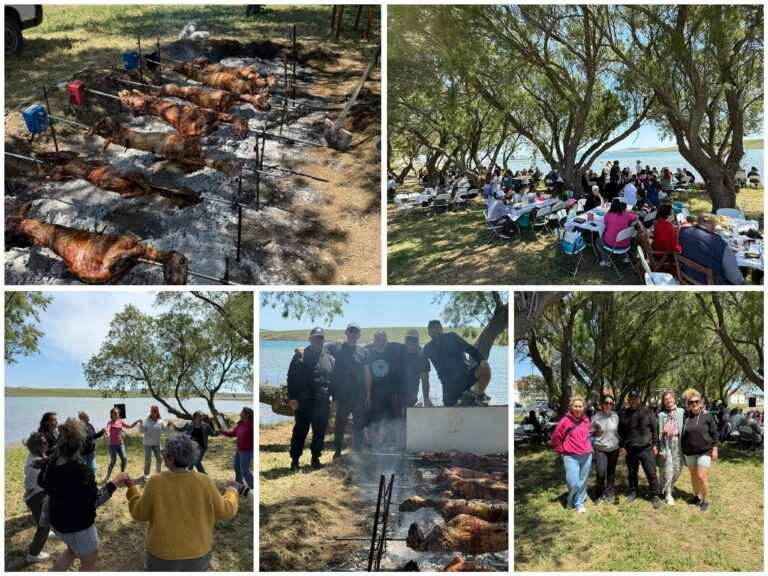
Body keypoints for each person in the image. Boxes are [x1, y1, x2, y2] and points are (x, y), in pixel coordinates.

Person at [125, 433, 239, 570]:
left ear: (171, 459)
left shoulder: (155, 482)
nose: (162, 455)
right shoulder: (204, 481)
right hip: (199, 554)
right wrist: (232, 489)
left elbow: (139, 513)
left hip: (162, 555)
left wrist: (132, 488)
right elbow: (226, 510)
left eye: (164, 452)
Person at [37, 418, 122, 571]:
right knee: (88, 564)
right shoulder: (82, 472)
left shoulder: (52, 463)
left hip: (58, 524)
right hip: (79, 528)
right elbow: (95, 500)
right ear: (80, 444)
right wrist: (115, 483)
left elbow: (44, 483)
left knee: (72, 550)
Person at [287, 327, 334, 470]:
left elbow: (333, 381)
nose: (318, 340)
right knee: (300, 431)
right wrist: (292, 398)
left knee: (319, 432)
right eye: (315, 337)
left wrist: (333, 399)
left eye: (320, 337)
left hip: (322, 402)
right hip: (303, 402)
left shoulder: (329, 358)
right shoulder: (300, 356)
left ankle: (315, 459)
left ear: (323, 339)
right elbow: (291, 378)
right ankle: (295, 460)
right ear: (310, 339)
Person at [326, 323, 370, 459]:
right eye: (351, 331)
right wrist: (302, 349)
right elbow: (320, 349)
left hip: (359, 395)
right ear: (346, 332)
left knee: (359, 426)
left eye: (356, 332)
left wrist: (368, 394)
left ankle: (357, 452)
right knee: (340, 425)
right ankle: (337, 452)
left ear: (359, 335)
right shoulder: (337, 347)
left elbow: (367, 373)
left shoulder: (363, 351)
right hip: (342, 395)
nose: (353, 334)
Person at [423, 320, 489, 407]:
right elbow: (423, 372)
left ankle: (477, 395)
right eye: (432, 329)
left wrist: (482, 360)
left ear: (441, 329)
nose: (435, 330)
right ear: (429, 332)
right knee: (452, 405)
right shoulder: (427, 348)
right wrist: (426, 398)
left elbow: (469, 348)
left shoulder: (452, 337)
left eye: (437, 327)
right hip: (449, 387)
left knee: (485, 369)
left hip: (466, 378)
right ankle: (466, 399)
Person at [619, 388, 661, 509]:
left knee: (651, 472)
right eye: (631, 399)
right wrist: (622, 446)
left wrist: (655, 444)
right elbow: (620, 432)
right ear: (628, 400)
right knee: (632, 473)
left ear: (639, 399)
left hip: (646, 448)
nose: (633, 400)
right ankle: (633, 492)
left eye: (635, 398)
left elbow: (654, 429)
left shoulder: (648, 411)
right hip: (630, 449)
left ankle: (655, 495)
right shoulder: (624, 414)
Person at [551, 396, 592, 513]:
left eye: (580, 406)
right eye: (576, 406)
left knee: (583, 481)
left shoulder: (586, 420)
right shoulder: (565, 421)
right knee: (573, 482)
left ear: (583, 408)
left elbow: (588, 435)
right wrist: (561, 452)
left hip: (586, 455)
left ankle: (579, 502)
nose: (578, 409)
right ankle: (571, 498)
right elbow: (555, 437)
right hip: (570, 456)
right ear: (571, 407)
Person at [365, 330, 405, 448]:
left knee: (391, 419)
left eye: (383, 339)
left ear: (386, 340)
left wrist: (418, 348)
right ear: (374, 340)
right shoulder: (368, 353)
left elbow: (405, 346)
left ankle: (391, 444)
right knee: (374, 420)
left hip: (390, 393)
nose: (381, 342)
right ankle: (373, 444)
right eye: (378, 339)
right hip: (374, 393)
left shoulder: (392, 350)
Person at [679, 213, 744, 284]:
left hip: (687, 275)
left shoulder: (682, 232)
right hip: (711, 283)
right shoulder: (719, 243)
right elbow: (736, 279)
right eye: (715, 225)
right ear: (712, 224)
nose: (715, 228)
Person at [681, 390, 718, 511]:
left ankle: (705, 500)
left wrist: (715, 449)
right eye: (691, 402)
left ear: (700, 403)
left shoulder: (707, 415)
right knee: (693, 475)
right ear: (688, 404)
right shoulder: (686, 417)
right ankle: (696, 496)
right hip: (689, 451)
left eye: (696, 401)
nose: (694, 404)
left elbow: (714, 433)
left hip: (704, 451)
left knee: (702, 476)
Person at [23, 432, 51, 564]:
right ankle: (33, 554)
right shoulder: (33, 465)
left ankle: (43, 536)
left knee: (43, 522)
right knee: (43, 526)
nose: (47, 444)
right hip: (36, 497)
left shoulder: (38, 455)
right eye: (44, 442)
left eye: (46, 441)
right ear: (37, 446)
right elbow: (29, 485)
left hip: (40, 495)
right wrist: (27, 496)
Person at [657, 390, 685, 506]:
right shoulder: (661, 415)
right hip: (667, 444)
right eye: (666, 399)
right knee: (668, 469)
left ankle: (665, 486)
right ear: (663, 402)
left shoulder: (681, 411)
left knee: (677, 469)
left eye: (670, 398)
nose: (668, 400)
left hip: (678, 444)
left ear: (674, 399)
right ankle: (668, 494)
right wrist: (662, 449)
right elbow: (659, 434)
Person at [591, 394, 620, 505]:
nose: (608, 405)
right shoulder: (596, 417)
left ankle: (609, 493)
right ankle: (599, 495)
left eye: (610, 403)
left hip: (614, 448)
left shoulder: (615, 416)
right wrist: (594, 438)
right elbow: (590, 432)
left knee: (611, 473)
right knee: (601, 473)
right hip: (601, 449)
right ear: (602, 404)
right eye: (606, 403)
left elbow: (619, 431)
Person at [220, 407, 254, 494]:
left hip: (247, 451)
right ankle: (239, 486)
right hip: (239, 450)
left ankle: (253, 488)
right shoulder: (240, 424)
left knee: (244, 470)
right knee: (237, 468)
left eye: (241, 413)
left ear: (247, 415)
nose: (240, 414)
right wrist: (222, 431)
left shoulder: (252, 425)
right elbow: (232, 434)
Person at [596, 199, 638, 267]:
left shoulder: (608, 215)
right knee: (620, 237)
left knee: (598, 240)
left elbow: (606, 226)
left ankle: (606, 260)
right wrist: (630, 224)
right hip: (626, 244)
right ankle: (625, 256)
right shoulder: (626, 214)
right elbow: (636, 217)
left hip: (614, 245)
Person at [104, 408, 140, 483]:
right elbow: (107, 428)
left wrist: (137, 421)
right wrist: (107, 433)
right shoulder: (110, 423)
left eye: (117, 413)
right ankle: (107, 476)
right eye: (114, 413)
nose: (116, 414)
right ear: (111, 414)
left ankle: (122, 475)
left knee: (124, 459)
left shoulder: (120, 421)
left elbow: (129, 426)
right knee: (113, 461)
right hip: (112, 445)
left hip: (120, 444)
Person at [401, 329, 432, 408]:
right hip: (396, 395)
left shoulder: (422, 358)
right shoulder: (398, 352)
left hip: (411, 397)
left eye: (414, 340)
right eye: (409, 339)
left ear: (418, 342)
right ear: (405, 340)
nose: (411, 342)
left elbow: (425, 382)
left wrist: (426, 399)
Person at [140, 406, 167, 479]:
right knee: (148, 460)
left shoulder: (160, 421)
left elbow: (165, 429)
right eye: (152, 411)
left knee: (159, 458)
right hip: (147, 443)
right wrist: (141, 425)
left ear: (157, 412)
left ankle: (158, 473)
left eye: (155, 411)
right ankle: (146, 475)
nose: (154, 413)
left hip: (156, 443)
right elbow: (141, 431)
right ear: (151, 412)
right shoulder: (147, 421)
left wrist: (168, 424)